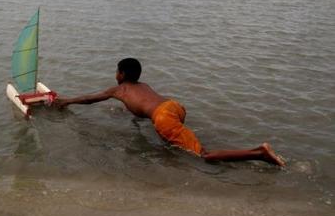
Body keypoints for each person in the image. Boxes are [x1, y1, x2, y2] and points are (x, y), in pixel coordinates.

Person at [55, 58, 285, 166]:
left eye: (116, 71)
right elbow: (143, 107)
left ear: (122, 75)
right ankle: (174, 156)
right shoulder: (143, 86)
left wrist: (66, 102)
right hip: (174, 107)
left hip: (164, 118)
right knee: (171, 146)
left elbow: (89, 99)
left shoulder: (119, 89)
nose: (115, 74)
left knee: (203, 156)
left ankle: (259, 153)